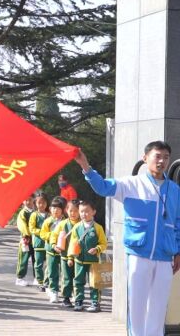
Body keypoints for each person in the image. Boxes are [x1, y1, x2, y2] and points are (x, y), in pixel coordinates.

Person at [75, 143, 180, 334]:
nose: (162, 161)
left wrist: (178, 251)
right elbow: (102, 187)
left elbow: (178, 223)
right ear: (145, 158)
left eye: (166, 157)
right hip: (139, 254)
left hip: (165, 255)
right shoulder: (131, 184)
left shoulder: (175, 190)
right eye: (157, 156)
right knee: (137, 307)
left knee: (158, 307)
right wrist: (85, 166)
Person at [67, 200, 107, 312]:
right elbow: (72, 244)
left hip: (94, 261)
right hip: (79, 260)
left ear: (93, 212)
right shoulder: (76, 227)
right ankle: (79, 301)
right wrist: (70, 258)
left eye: (86, 211)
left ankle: (95, 302)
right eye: (81, 211)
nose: (83, 214)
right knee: (78, 281)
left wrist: (97, 249)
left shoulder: (98, 228)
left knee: (94, 282)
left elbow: (103, 243)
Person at [51, 199, 81, 308]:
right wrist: (54, 245)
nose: (73, 213)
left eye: (76, 211)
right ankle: (66, 298)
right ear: (66, 210)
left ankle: (78, 297)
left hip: (79, 256)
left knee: (78, 278)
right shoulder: (62, 224)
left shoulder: (82, 224)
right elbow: (54, 235)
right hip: (64, 255)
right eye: (70, 210)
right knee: (67, 277)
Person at [40, 196, 67, 303]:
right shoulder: (48, 221)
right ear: (50, 209)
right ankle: (53, 291)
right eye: (53, 208)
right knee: (52, 272)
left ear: (63, 210)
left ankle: (67, 293)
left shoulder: (66, 221)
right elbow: (43, 234)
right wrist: (53, 236)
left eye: (58, 208)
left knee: (65, 272)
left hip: (63, 250)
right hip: (51, 250)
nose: (55, 210)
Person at [29, 192, 49, 291]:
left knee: (49, 264)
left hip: (48, 244)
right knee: (38, 264)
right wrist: (42, 232)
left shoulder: (49, 215)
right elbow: (32, 228)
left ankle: (47, 282)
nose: (41, 205)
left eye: (43, 203)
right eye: (39, 203)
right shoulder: (34, 215)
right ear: (35, 203)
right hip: (38, 244)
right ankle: (40, 281)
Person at [15, 194, 35, 287]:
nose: (28, 202)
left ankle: (37, 278)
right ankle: (20, 278)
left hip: (36, 239)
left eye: (30, 199)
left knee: (37, 259)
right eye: (26, 200)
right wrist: (30, 232)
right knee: (23, 258)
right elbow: (21, 225)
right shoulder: (23, 213)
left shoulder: (36, 212)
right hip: (25, 240)